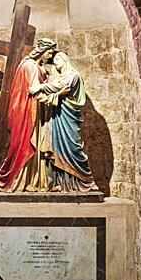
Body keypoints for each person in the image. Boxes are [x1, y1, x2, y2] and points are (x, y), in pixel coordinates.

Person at [0, 38, 57, 192]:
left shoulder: (32, 65)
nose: (50, 56)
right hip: (28, 112)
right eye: (49, 52)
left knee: (32, 144)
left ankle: (33, 181)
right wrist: (54, 84)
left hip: (34, 110)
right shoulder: (30, 66)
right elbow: (34, 89)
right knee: (26, 144)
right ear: (41, 51)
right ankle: (20, 181)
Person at [28, 51, 96, 193]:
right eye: (54, 59)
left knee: (73, 148)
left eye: (58, 58)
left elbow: (59, 87)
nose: (55, 61)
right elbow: (56, 91)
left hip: (68, 117)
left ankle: (85, 180)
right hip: (55, 118)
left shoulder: (73, 76)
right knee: (55, 148)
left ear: (65, 60)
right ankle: (60, 183)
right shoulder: (57, 78)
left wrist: (40, 87)